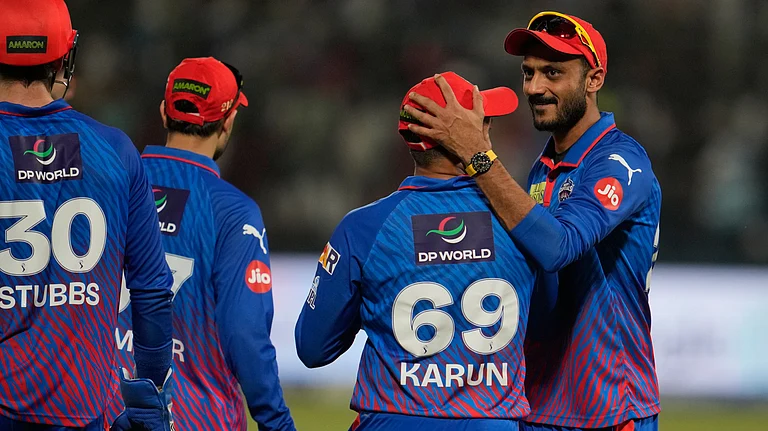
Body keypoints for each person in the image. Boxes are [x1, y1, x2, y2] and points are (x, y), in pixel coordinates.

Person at [403, 11, 661, 431]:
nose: (535, 88)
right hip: (539, 403)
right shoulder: (544, 168)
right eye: (529, 73)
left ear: (593, 79)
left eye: (553, 73)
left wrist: (477, 156)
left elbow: (558, 247)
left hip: (608, 408)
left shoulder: (621, 160)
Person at [295, 71, 536, 431]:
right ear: (467, 136)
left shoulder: (364, 228)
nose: (488, 129)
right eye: (483, 122)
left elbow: (313, 348)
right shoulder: (522, 224)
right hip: (491, 422)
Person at [0, 1, 174, 430]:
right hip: (84, 408)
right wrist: (150, 393)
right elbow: (151, 290)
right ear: (65, 58)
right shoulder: (115, 151)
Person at [109, 57, 296, 431]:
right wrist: (277, 423)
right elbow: (245, 334)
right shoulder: (233, 212)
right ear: (228, 122)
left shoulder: (109, 183)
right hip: (197, 417)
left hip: (105, 410)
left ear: (164, 111)